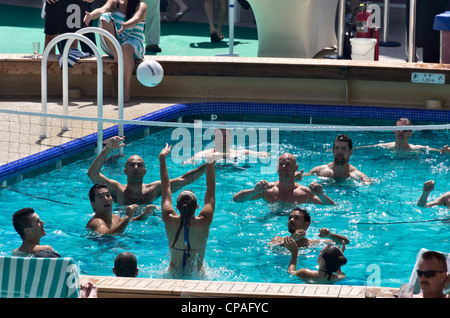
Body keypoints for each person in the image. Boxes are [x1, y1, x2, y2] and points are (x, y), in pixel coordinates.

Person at [87, 136, 208, 205]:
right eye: (132, 165)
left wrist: (209, 164)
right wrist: (107, 149)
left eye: (139, 165)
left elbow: (184, 180)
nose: (135, 167)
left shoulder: (154, 189)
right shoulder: (117, 189)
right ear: (125, 171)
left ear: (144, 171)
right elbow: (92, 174)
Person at [159, 143, 216, 275]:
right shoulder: (204, 221)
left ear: (177, 207)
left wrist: (162, 159)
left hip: (173, 274)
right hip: (198, 275)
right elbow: (211, 187)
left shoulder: (169, 219)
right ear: (197, 207)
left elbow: (166, 187)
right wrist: (210, 163)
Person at [83, 0, 147, 103]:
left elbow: (136, 19)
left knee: (126, 48)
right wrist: (91, 15)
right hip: (114, 44)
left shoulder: (141, 5)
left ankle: (125, 91)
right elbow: (101, 10)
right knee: (105, 16)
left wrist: (126, 25)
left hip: (133, 43)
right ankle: (117, 56)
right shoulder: (114, 2)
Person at [233, 153, 336, 207]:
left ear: (295, 168)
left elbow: (331, 206)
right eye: (281, 164)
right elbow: (236, 199)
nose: (284, 167)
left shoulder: (304, 193)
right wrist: (254, 191)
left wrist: (321, 195)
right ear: (277, 168)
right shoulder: (267, 189)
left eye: (287, 164)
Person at [86, 184, 156, 234]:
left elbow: (129, 221)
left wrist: (145, 214)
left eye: (108, 195)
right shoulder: (97, 221)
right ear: (93, 204)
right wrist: (127, 217)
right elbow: (107, 235)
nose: (106, 199)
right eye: (100, 197)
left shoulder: (114, 217)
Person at [300, 134, 371, 183]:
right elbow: (302, 178)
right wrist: (297, 178)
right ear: (333, 151)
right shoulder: (318, 171)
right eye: (337, 148)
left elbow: (369, 186)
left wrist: (366, 184)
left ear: (350, 152)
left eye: (343, 148)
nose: (339, 151)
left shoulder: (357, 175)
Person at [355, 118, 450, 153]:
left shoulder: (417, 149)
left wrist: (445, 152)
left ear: (410, 133)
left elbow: (439, 151)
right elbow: (362, 148)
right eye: (398, 129)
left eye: (404, 130)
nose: (400, 131)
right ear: (394, 131)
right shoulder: (383, 147)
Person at [270, 208, 350, 248]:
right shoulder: (277, 239)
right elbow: (272, 248)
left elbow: (345, 242)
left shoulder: (312, 244)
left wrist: (329, 235)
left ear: (306, 225)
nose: (291, 220)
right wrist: (293, 240)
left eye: (296, 218)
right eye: (290, 218)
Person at [182, 128, 269, 165]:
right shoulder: (204, 154)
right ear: (214, 138)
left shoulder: (240, 153)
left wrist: (263, 154)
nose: (223, 139)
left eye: (225, 136)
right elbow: (186, 162)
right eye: (219, 136)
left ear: (230, 138)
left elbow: (264, 154)